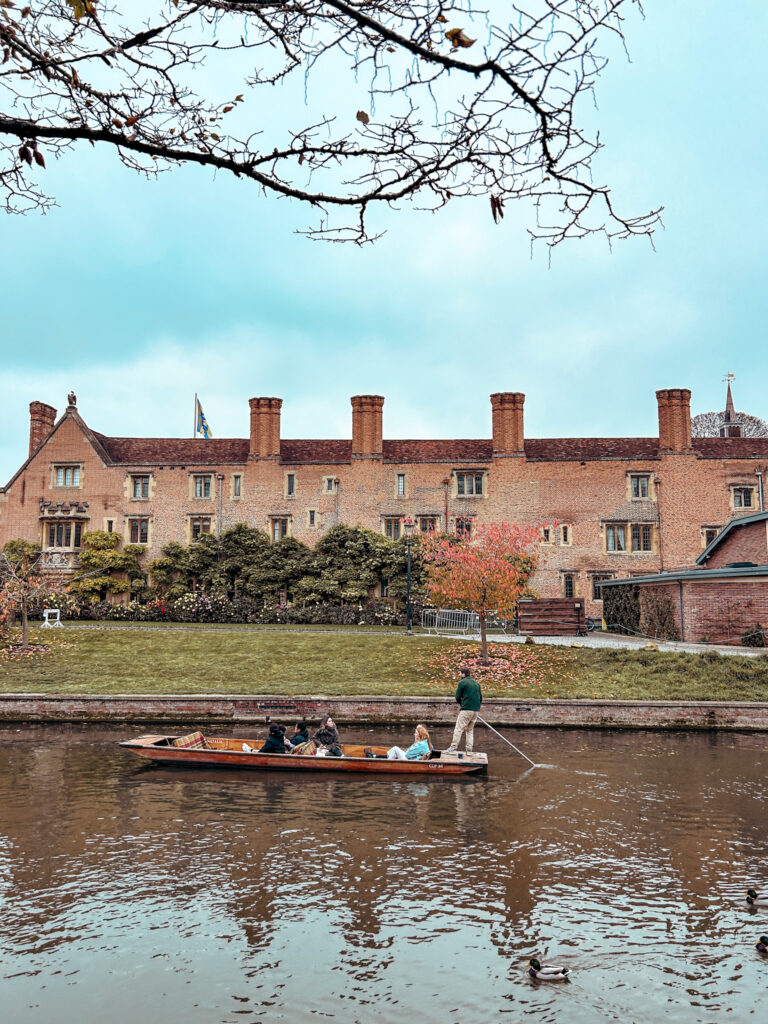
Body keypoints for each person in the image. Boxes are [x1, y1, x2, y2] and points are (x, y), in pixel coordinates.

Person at [445, 664, 482, 754]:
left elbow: (457, 697)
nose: (459, 675)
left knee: (459, 728)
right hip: (476, 710)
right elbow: (480, 698)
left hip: (466, 709)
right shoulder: (477, 683)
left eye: (460, 673)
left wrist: (463, 704)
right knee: (469, 730)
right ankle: (469, 750)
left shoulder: (462, 682)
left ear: (463, 674)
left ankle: (453, 748)